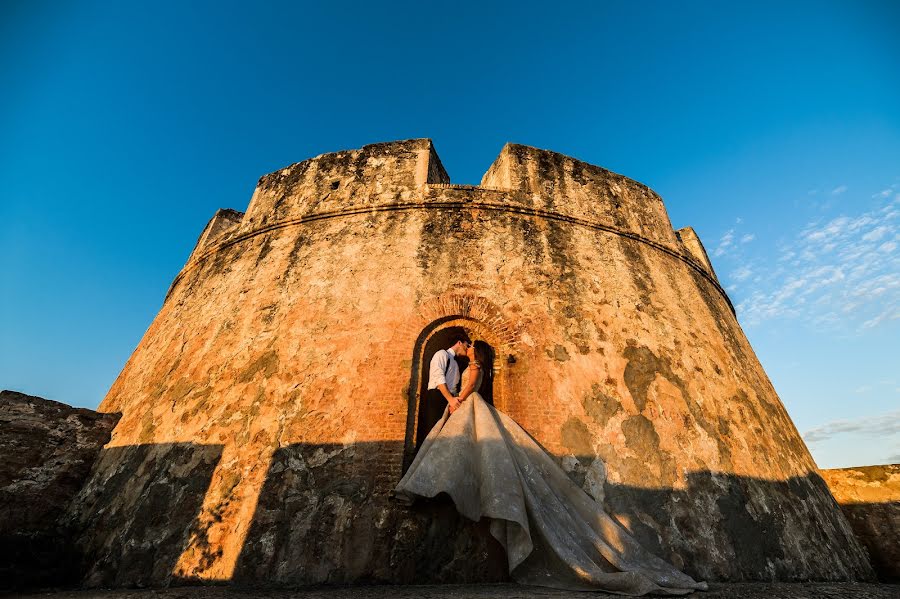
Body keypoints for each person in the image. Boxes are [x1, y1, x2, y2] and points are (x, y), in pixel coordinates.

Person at [395, 340, 707, 596]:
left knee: (462, 448)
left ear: (474, 352)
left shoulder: (472, 367)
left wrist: (456, 399)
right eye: (466, 347)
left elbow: (469, 387)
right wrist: (454, 400)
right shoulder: (449, 359)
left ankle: (432, 487)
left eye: (470, 349)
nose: (467, 350)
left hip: (467, 405)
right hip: (462, 406)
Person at [421, 333, 470, 430]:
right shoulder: (441, 354)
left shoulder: (455, 362)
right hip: (437, 396)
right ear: (459, 343)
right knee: (434, 429)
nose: (467, 348)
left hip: (449, 399)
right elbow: (439, 378)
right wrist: (450, 399)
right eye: (466, 345)